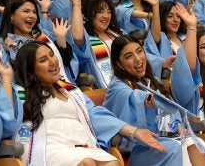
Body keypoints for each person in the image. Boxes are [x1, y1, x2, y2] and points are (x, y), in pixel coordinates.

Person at [13, 41, 168, 166]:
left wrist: (134, 131)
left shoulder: (71, 91)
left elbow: (96, 115)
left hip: (80, 144)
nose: (52, 61)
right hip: (50, 148)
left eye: (52, 55)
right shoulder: (22, 94)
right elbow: (9, 120)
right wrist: (7, 82)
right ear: (31, 70)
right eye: (43, 60)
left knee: (112, 162)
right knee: (86, 163)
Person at [104, 31, 205, 166]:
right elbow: (129, 97)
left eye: (139, 51)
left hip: (164, 139)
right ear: (119, 64)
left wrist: (178, 127)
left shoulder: (152, 81)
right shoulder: (117, 86)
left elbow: (170, 116)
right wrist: (145, 98)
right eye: (129, 56)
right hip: (136, 149)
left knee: (194, 143)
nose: (138, 59)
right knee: (174, 147)